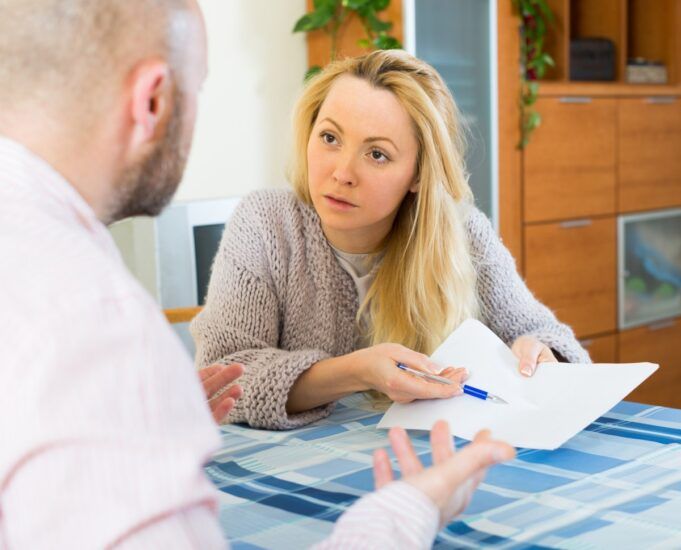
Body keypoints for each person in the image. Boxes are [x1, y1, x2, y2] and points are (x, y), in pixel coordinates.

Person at [0, 1, 514, 548]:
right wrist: (407, 510)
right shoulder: (95, 318)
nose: (343, 172)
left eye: (378, 155)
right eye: (198, 90)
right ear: (153, 99)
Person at [191, 50, 591, 430]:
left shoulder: (463, 231)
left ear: (418, 175)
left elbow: (551, 339)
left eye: (377, 154)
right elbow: (218, 381)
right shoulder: (265, 223)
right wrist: (357, 371)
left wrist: (544, 358)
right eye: (329, 138)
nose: (342, 173)